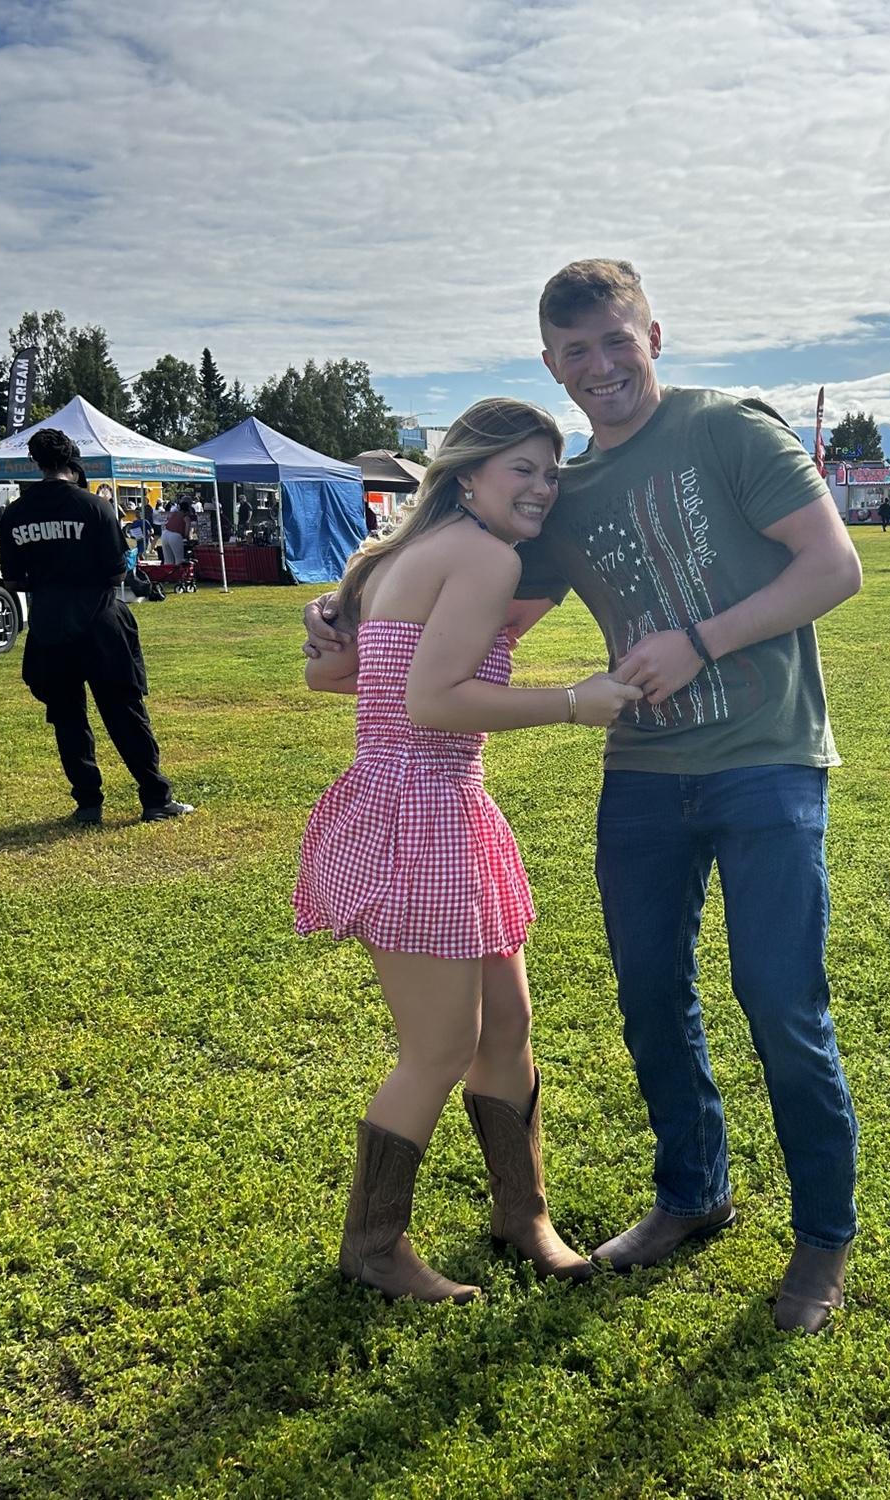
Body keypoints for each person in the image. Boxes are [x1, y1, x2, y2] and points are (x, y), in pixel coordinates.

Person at [309, 259, 863, 1333]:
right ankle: (690, 1195)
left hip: (767, 758)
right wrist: (345, 618)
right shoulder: (562, 496)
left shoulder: (729, 430)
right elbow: (453, 625)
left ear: (653, 335)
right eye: (576, 351)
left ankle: (821, 1240)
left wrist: (697, 640)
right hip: (642, 775)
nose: (601, 364)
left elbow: (833, 568)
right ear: (553, 366)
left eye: (616, 339)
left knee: (780, 1002)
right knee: (651, 1000)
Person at [297, 398, 641, 1305]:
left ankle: (522, 1216)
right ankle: (373, 1247)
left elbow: (333, 674)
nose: (542, 487)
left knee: (508, 1027)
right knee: (440, 1048)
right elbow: (432, 702)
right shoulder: (485, 558)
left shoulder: (401, 555)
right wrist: (574, 701)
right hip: (423, 814)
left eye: (550, 472)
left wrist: (332, 628)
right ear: (467, 474)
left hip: (423, 807)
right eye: (521, 468)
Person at [0, 429, 192, 825]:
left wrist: (47, 580)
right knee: (125, 712)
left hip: (50, 626)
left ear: (35, 461)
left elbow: (12, 579)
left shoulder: (16, 513)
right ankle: (155, 798)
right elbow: (118, 572)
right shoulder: (96, 507)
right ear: (72, 459)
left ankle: (88, 804)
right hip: (100, 622)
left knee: (67, 717)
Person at [160, 498, 192, 565]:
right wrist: (188, 540)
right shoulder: (186, 517)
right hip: (175, 536)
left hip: (165, 534)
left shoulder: (174, 514)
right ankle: (178, 572)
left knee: (168, 561)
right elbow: (186, 534)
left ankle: (168, 571)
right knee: (179, 560)